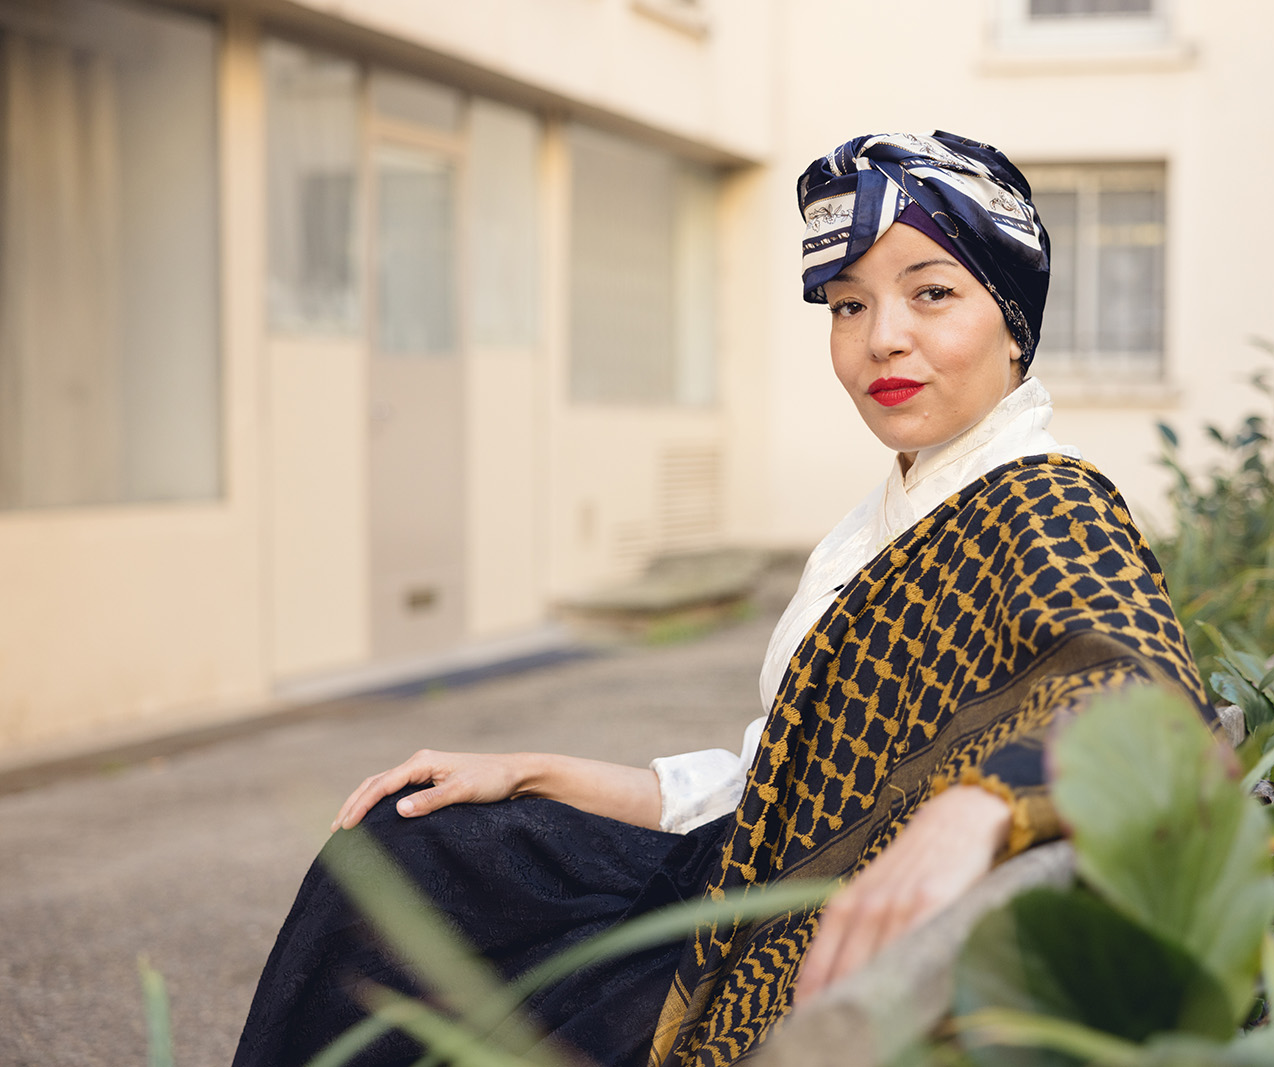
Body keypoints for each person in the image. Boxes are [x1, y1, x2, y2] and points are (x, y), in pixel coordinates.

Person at [232, 130, 1206, 1067]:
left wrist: (977, 809)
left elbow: (1142, 684)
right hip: (742, 874)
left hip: (786, 938)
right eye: (846, 305)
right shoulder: (880, 520)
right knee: (413, 843)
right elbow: (766, 781)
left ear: (1013, 323)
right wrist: (532, 768)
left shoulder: (1042, 494)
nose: (882, 339)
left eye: (932, 293)